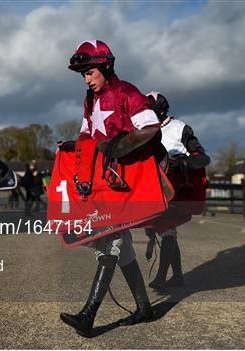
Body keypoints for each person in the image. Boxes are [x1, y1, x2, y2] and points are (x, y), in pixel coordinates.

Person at [59, 39, 160, 337]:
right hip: (102, 181)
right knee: (123, 248)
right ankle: (144, 308)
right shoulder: (89, 100)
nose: (87, 79)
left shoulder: (127, 92)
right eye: (83, 75)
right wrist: (73, 147)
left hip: (125, 181)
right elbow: (86, 134)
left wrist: (116, 147)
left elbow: (150, 128)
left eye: (90, 72)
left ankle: (88, 315)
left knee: (111, 241)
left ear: (105, 66)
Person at [144, 91, 209, 289]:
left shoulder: (180, 127)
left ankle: (162, 275)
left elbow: (200, 155)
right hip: (154, 187)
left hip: (176, 187)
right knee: (165, 231)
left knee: (167, 229)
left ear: (161, 110)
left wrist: (181, 162)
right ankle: (178, 276)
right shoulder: (145, 130)